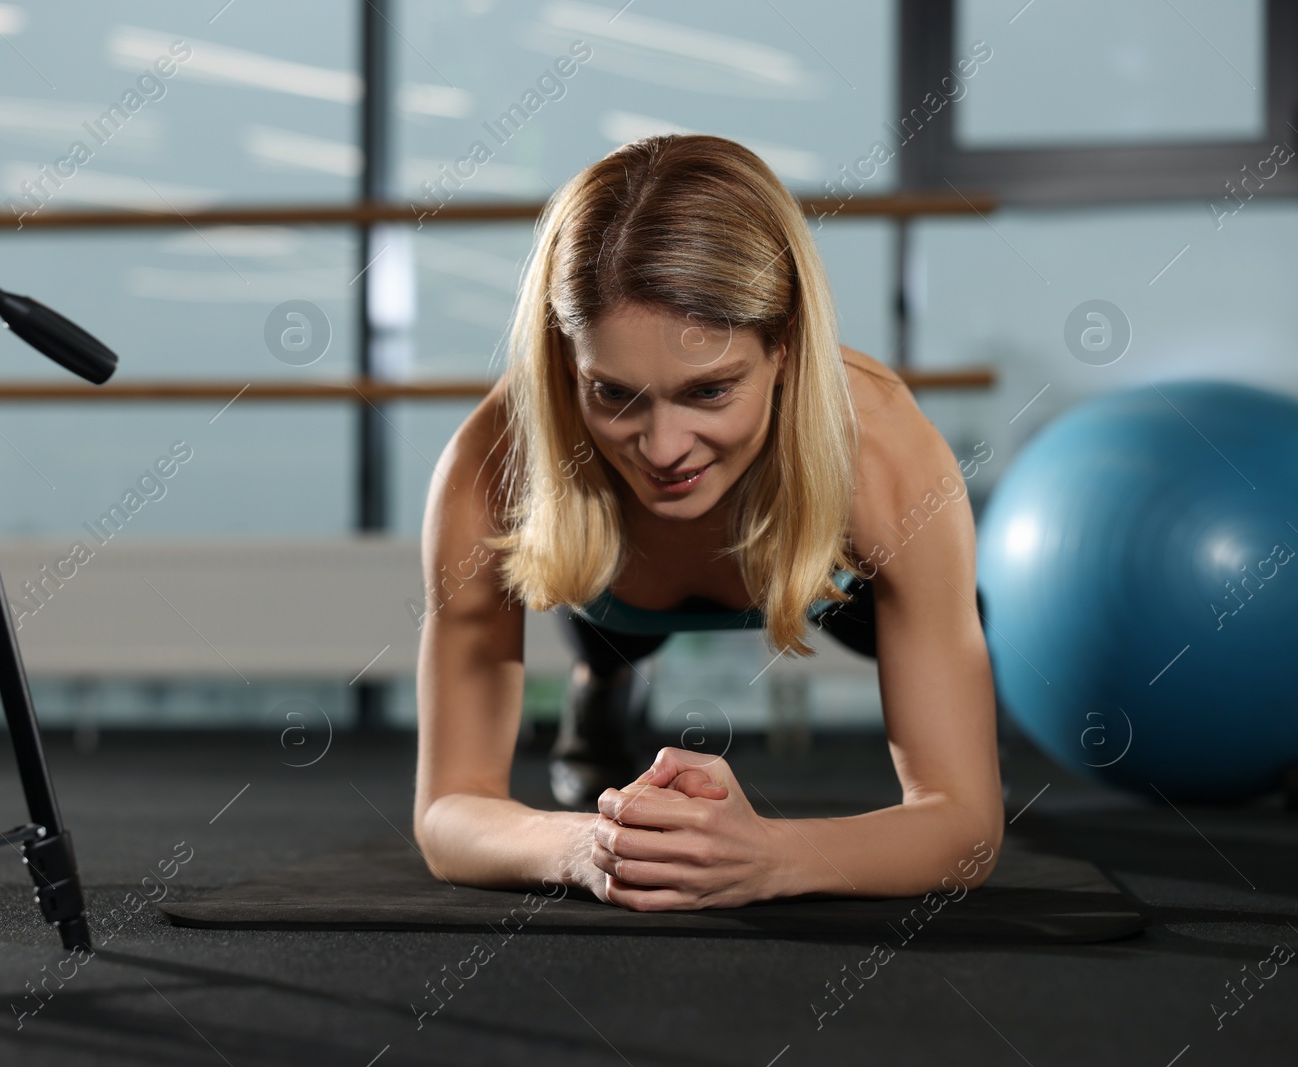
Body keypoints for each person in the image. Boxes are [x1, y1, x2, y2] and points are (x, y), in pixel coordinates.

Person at [413, 134, 1002, 910]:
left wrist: (771, 855)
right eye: (615, 393)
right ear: (566, 361)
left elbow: (964, 826)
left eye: (710, 392)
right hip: (614, 589)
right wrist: (587, 845)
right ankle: (604, 684)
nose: (661, 448)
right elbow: (446, 811)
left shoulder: (885, 455)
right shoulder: (493, 465)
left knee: (958, 617)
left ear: (784, 347)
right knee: (605, 619)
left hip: (818, 574)